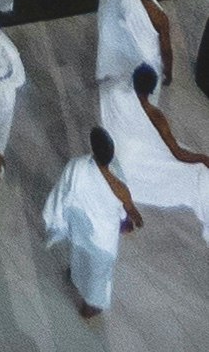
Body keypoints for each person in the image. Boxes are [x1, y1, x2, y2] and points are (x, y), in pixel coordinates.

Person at [42, 129, 140, 319]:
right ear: (111, 154)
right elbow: (131, 214)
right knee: (97, 278)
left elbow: (63, 192)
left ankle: (76, 275)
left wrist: (60, 219)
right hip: (102, 240)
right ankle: (90, 308)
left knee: (80, 256)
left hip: (80, 230)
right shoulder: (119, 184)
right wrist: (132, 220)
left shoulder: (77, 165)